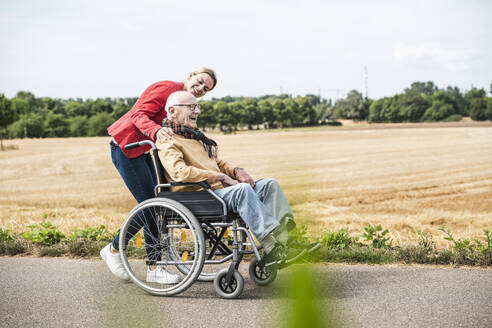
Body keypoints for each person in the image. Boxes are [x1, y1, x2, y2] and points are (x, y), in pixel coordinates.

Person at [157, 91, 319, 264]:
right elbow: (179, 172)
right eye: (191, 107)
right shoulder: (168, 140)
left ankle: (287, 241)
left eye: (197, 106)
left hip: (217, 192)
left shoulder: (193, 136)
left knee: (269, 184)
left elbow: (216, 162)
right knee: (242, 190)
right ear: (173, 112)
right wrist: (219, 177)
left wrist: (235, 171)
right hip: (199, 196)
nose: (197, 111)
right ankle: (272, 247)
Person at [100, 68, 217, 284]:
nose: (200, 89)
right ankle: (118, 251)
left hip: (146, 149)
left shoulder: (185, 101)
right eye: (200, 82)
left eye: (205, 89)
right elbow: (137, 114)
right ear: (191, 75)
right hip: (127, 146)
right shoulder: (167, 88)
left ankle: (152, 264)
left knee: (160, 202)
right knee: (150, 205)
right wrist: (155, 131)